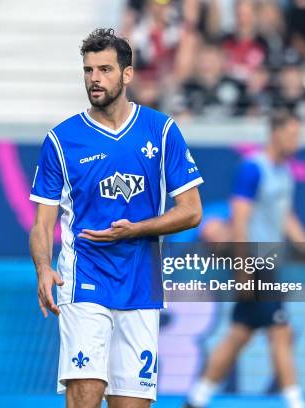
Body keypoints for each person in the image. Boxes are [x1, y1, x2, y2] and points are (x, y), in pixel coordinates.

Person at [29, 28, 204, 408]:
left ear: (127, 75)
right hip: (85, 280)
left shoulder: (161, 131)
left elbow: (192, 211)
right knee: (86, 393)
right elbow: (42, 222)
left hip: (142, 284)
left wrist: (135, 230)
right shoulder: (62, 140)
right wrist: (43, 267)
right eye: (88, 70)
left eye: (105, 69)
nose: (95, 78)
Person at [184, 109, 305, 408]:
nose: (296, 142)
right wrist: (243, 268)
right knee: (280, 331)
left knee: (239, 333)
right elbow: (240, 219)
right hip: (254, 261)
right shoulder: (253, 169)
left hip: (268, 262)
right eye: (292, 135)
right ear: (275, 134)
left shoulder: (285, 173)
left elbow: (286, 217)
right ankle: (295, 403)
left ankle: (196, 399)